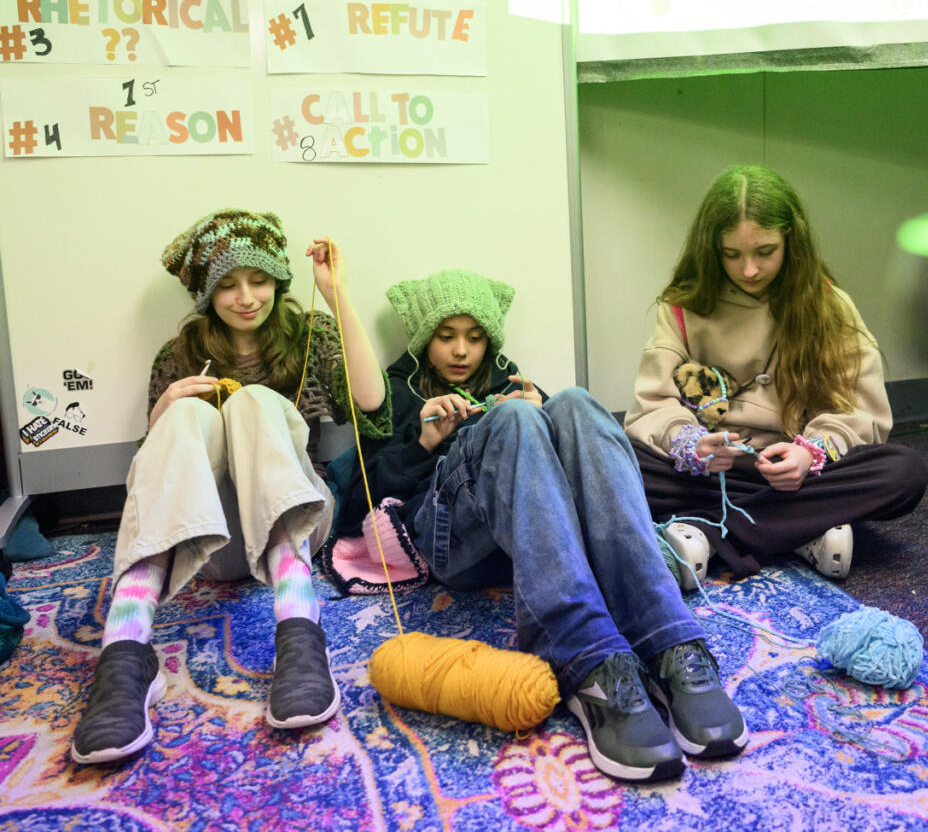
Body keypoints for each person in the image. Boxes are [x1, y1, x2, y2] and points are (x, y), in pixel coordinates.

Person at [339, 268, 748, 782]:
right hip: (449, 543)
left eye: (474, 337)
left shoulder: (510, 382)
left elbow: (577, 466)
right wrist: (425, 442)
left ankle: (663, 633)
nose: (462, 351)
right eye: (446, 337)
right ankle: (583, 653)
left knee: (572, 402)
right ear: (425, 340)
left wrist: (543, 413)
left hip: (521, 546)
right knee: (514, 420)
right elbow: (358, 497)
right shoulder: (398, 393)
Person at [71, 208, 391, 764]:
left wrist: (335, 293)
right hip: (210, 542)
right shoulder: (177, 356)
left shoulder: (308, 336)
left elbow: (370, 401)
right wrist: (164, 414)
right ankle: (124, 655)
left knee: (252, 400)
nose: (246, 296)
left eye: (260, 279)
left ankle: (299, 631)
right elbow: (159, 480)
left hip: (298, 519)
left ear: (278, 280)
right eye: (227, 285)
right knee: (182, 416)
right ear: (205, 295)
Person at [625, 165, 928, 585]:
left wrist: (808, 453)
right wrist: (692, 445)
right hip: (711, 473)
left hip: (797, 476)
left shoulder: (829, 304)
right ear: (711, 248)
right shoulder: (682, 305)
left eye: (765, 251)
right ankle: (802, 529)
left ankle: (706, 532)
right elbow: (651, 407)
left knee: (904, 473)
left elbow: (860, 411)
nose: (748, 270)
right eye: (732, 254)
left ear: (792, 241)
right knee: (614, 462)